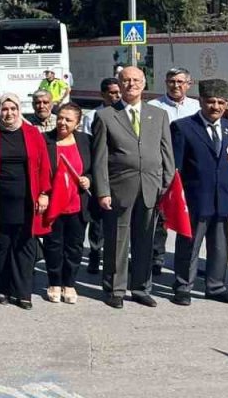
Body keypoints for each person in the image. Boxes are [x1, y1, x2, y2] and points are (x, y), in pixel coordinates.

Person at [91, 66, 175, 309]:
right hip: (119, 189)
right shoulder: (106, 116)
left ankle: (140, 288)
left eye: (136, 80)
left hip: (151, 187)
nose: (131, 85)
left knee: (145, 240)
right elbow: (99, 158)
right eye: (126, 80)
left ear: (144, 83)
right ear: (119, 83)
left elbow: (166, 152)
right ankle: (115, 289)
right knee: (117, 240)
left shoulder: (158, 115)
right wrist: (103, 191)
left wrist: (167, 187)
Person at [169, 79, 228, 306]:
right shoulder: (183, 127)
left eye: (221, 102)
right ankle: (183, 286)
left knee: (220, 246)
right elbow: (176, 169)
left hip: (222, 199)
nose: (216, 107)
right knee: (189, 246)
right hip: (194, 199)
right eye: (211, 101)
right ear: (201, 101)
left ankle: (216, 286)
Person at [0, 93, 52, 310]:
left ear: (19, 110)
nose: (9, 113)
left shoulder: (32, 133)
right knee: (3, 244)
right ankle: (4, 288)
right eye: (5, 109)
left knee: (25, 245)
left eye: (13, 109)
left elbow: (44, 166)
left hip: (27, 200)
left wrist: (44, 193)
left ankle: (23, 293)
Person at [148, 66, 199, 274]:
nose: (176, 85)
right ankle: (156, 258)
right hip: (162, 168)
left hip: (191, 171)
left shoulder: (197, 107)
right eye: (171, 81)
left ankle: (186, 261)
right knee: (160, 217)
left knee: (188, 217)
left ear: (189, 84)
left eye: (180, 82)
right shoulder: (153, 106)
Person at [43, 102, 93, 304]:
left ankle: (69, 283)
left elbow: (94, 168)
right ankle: (54, 282)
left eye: (68, 120)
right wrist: (44, 193)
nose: (62, 123)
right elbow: (40, 170)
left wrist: (88, 179)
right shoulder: (45, 140)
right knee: (54, 245)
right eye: (60, 118)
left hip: (77, 204)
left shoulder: (86, 141)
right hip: (54, 203)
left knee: (74, 246)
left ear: (78, 123)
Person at [80, 77, 122, 274]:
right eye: (112, 92)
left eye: (118, 92)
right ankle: (95, 254)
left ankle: (115, 257)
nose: (116, 96)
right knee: (97, 219)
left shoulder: (125, 114)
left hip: (119, 173)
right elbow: (89, 148)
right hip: (100, 172)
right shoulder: (92, 116)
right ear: (103, 94)